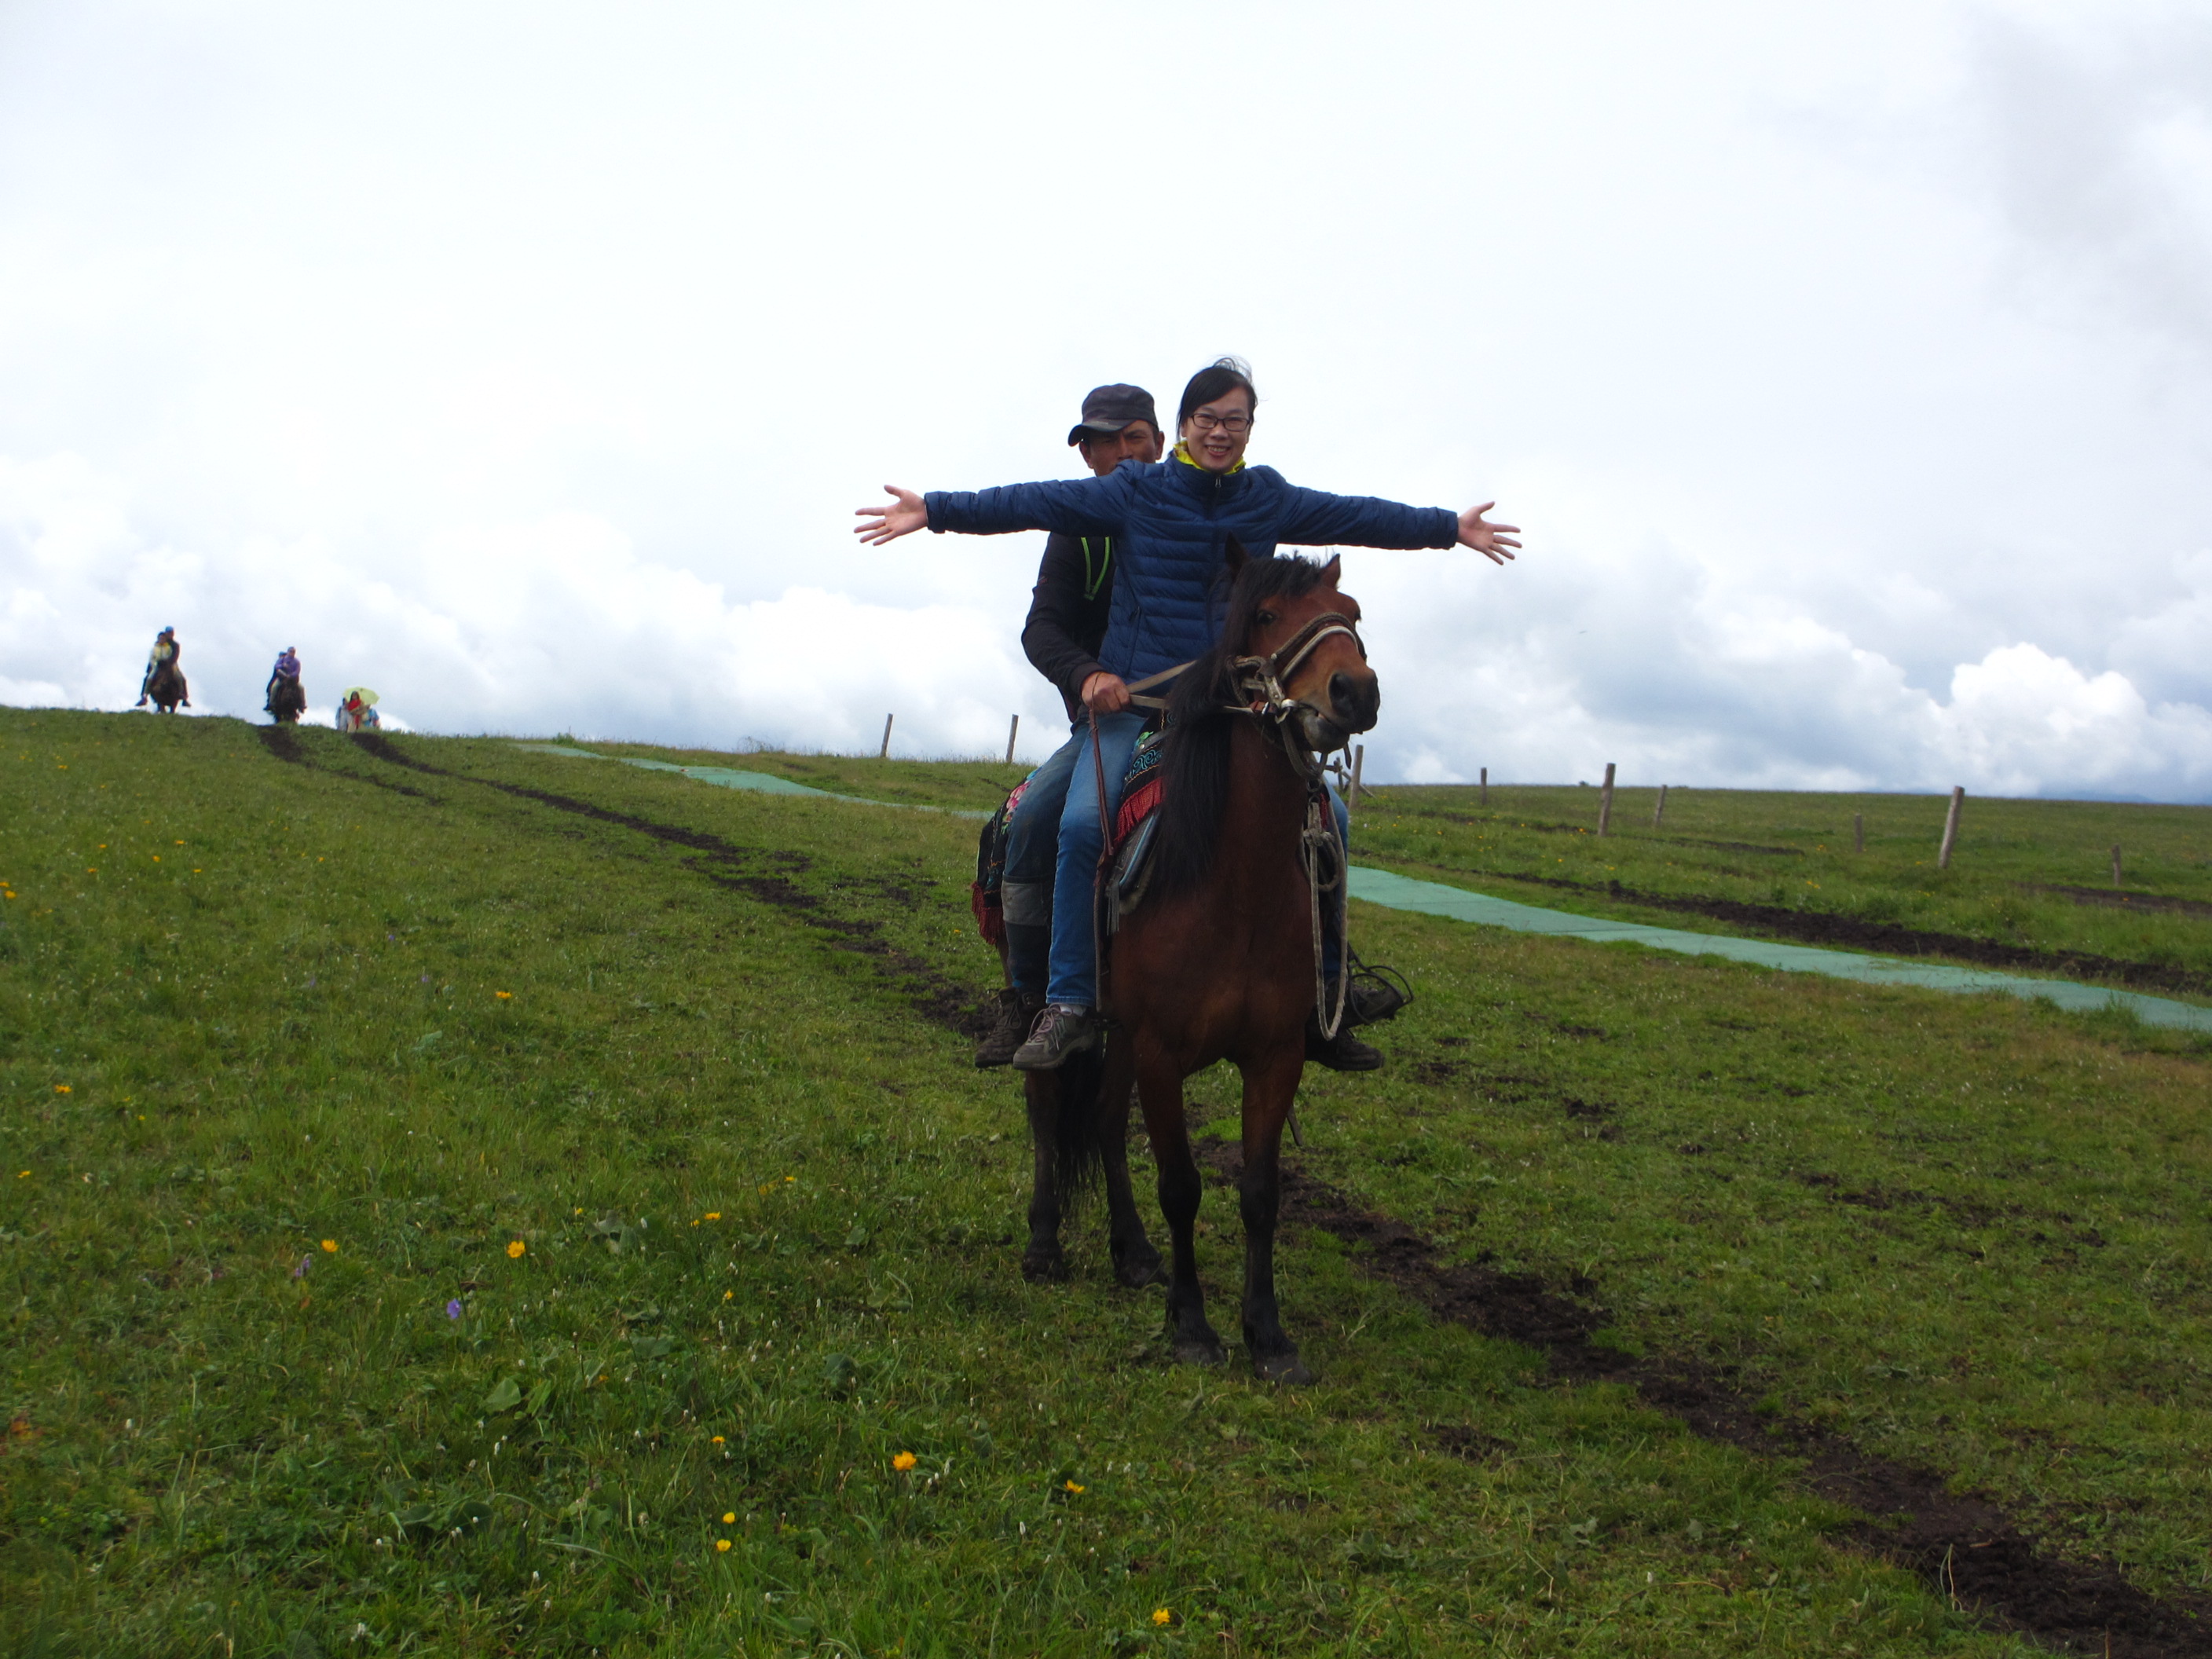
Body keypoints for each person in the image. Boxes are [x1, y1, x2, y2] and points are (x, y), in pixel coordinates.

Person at [859, 357, 1519, 1071]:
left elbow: (1357, 515)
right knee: (1079, 827)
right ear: (1183, 426)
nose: (1220, 432)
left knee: (1332, 819)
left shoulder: (1267, 498)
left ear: (1250, 429)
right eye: (1207, 419)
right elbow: (1032, 501)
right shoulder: (1135, 492)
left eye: (1235, 420)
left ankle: (1327, 997)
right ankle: (1068, 1003)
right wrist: (936, 511)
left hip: (1232, 710)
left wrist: (1449, 528)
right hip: (1136, 709)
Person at [972, 383, 1165, 1067]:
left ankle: (1326, 989)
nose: (1120, 453)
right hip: (1107, 722)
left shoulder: (1194, 516)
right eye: (1102, 442)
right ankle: (1031, 997)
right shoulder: (1076, 531)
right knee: (1026, 823)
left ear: (1159, 443)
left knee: (1318, 816)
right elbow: (1042, 628)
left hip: (1202, 713)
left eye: (1132, 437)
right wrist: (1086, 676)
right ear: (1086, 457)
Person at [136, 627, 187, 708]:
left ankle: (183, 696)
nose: (170, 634)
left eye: (171, 633)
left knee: (180, 678)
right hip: (157, 665)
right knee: (147, 678)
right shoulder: (157, 645)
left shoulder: (175, 645)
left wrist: (167, 662)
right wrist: (151, 666)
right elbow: (153, 656)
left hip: (171, 665)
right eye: (168, 633)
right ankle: (144, 696)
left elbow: (175, 656)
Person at [265, 646, 302, 716]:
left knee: (301, 688)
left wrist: (291, 675)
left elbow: (297, 671)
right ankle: (271, 703)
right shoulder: (282, 660)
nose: (292, 653)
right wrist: (283, 666)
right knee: (274, 687)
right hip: (282, 679)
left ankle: (302, 705)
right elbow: (276, 666)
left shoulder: (297, 662)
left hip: (292, 680)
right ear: (288, 652)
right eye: (290, 651)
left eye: (293, 652)